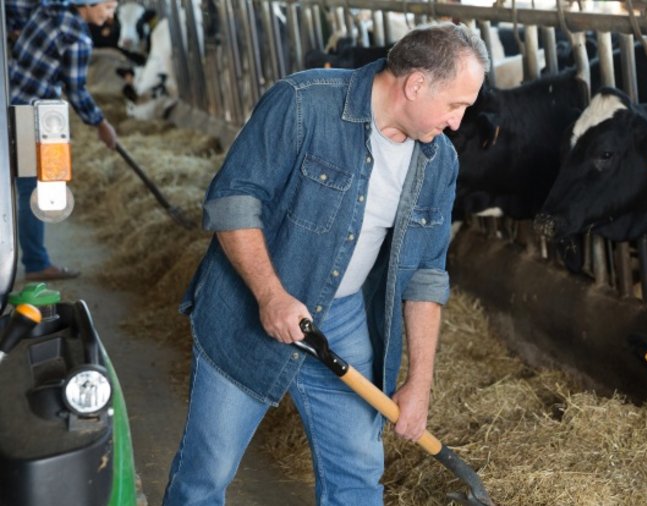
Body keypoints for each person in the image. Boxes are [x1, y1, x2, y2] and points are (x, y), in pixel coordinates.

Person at [163, 23, 488, 506]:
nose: (458, 123)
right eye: (455, 105)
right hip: (248, 308)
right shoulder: (302, 103)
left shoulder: (438, 161)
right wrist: (270, 295)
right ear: (416, 84)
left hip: (343, 317)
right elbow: (233, 202)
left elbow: (426, 276)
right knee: (208, 471)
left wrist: (419, 383)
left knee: (357, 471)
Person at [9, 0, 119, 281]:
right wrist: (101, 124)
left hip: (8, 101)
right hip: (34, 116)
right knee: (32, 189)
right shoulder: (77, 38)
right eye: (108, 7)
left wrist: (15, 32)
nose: (110, 15)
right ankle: (35, 264)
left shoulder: (46, 10)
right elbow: (77, 91)